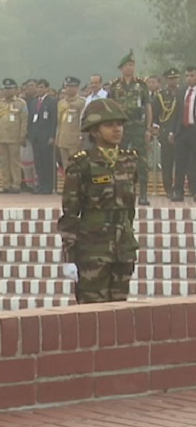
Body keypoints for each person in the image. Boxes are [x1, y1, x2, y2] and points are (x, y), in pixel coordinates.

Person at [59, 99, 138, 304]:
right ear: (94, 131)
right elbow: (70, 214)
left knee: (120, 311)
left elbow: (130, 208)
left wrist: (128, 236)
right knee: (92, 315)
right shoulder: (82, 163)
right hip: (93, 249)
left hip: (123, 248)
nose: (116, 129)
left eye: (119, 125)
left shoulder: (129, 160)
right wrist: (69, 257)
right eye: (109, 125)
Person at [109, 51, 152, 205]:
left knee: (141, 160)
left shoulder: (141, 85)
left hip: (138, 126)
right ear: (121, 68)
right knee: (117, 159)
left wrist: (148, 128)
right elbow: (110, 107)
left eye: (132, 65)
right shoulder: (114, 86)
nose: (130, 68)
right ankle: (118, 193)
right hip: (120, 127)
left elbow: (147, 106)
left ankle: (143, 194)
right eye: (127, 65)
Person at [0, 79, 28, 194]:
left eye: (9, 88)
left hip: (14, 137)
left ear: (15, 89)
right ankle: (6, 184)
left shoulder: (21, 103)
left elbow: (24, 121)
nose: (7, 91)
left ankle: (16, 184)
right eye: (5, 89)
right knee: (4, 162)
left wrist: (22, 135)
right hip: (1, 136)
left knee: (15, 162)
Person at [169, 66, 196, 201]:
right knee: (179, 162)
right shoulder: (182, 92)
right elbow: (176, 113)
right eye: (187, 76)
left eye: (192, 75)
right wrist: (172, 131)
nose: (189, 78)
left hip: (194, 130)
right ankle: (178, 191)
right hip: (182, 131)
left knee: (194, 163)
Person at [28, 79, 58, 194]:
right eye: (38, 87)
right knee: (38, 162)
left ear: (46, 89)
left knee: (47, 162)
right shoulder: (34, 102)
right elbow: (31, 120)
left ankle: (48, 186)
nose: (39, 89)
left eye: (42, 87)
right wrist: (30, 134)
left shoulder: (52, 101)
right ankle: (40, 184)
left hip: (46, 137)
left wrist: (52, 136)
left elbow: (53, 120)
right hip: (35, 136)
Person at [154, 68, 180, 198]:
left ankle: (180, 188)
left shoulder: (183, 92)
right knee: (167, 162)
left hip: (182, 132)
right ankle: (168, 188)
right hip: (165, 131)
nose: (173, 81)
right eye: (170, 79)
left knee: (184, 162)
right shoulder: (161, 95)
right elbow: (155, 114)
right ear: (166, 80)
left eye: (175, 78)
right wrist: (155, 127)